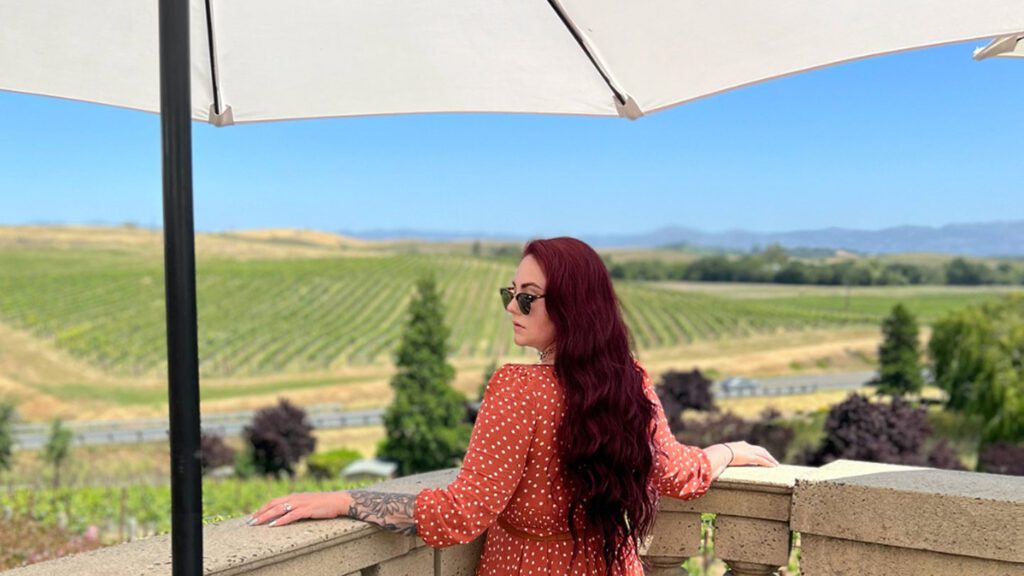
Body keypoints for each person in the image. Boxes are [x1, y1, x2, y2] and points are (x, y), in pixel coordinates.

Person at [247, 237, 779, 575]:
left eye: (527, 296)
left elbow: (461, 514)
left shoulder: (517, 390)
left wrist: (345, 500)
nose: (511, 307)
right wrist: (728, 451)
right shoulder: (628, 381)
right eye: (511, 292)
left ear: (572, 306)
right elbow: (675, 472)